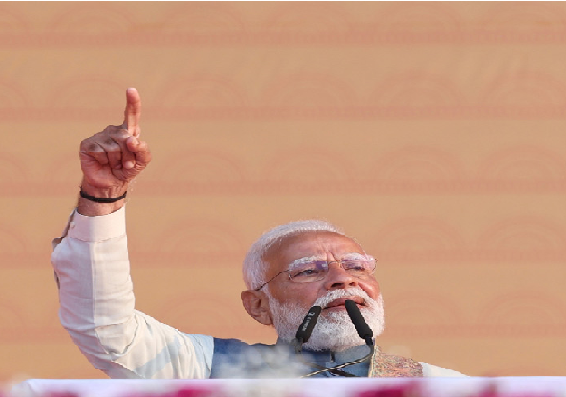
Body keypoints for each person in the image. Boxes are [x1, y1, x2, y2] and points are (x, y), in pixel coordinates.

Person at [50, 88, 464, 379]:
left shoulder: (439, 389)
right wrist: (104, 194)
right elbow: (105, 327)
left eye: (357, 266)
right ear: (258, 307)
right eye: (308, 271)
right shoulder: (206, 369)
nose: (343, 279)